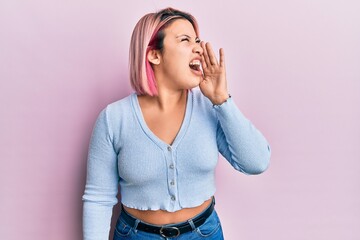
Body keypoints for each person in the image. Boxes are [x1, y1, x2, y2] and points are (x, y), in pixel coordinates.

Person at [82, 7, 271, 240]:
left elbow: (256, 162)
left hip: (204, 233)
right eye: (185, 40)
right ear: (154, 55)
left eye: (198, 40)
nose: (198, 48)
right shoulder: (114, 119)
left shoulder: (210, 108)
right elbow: (98, 199)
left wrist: (222, 101)